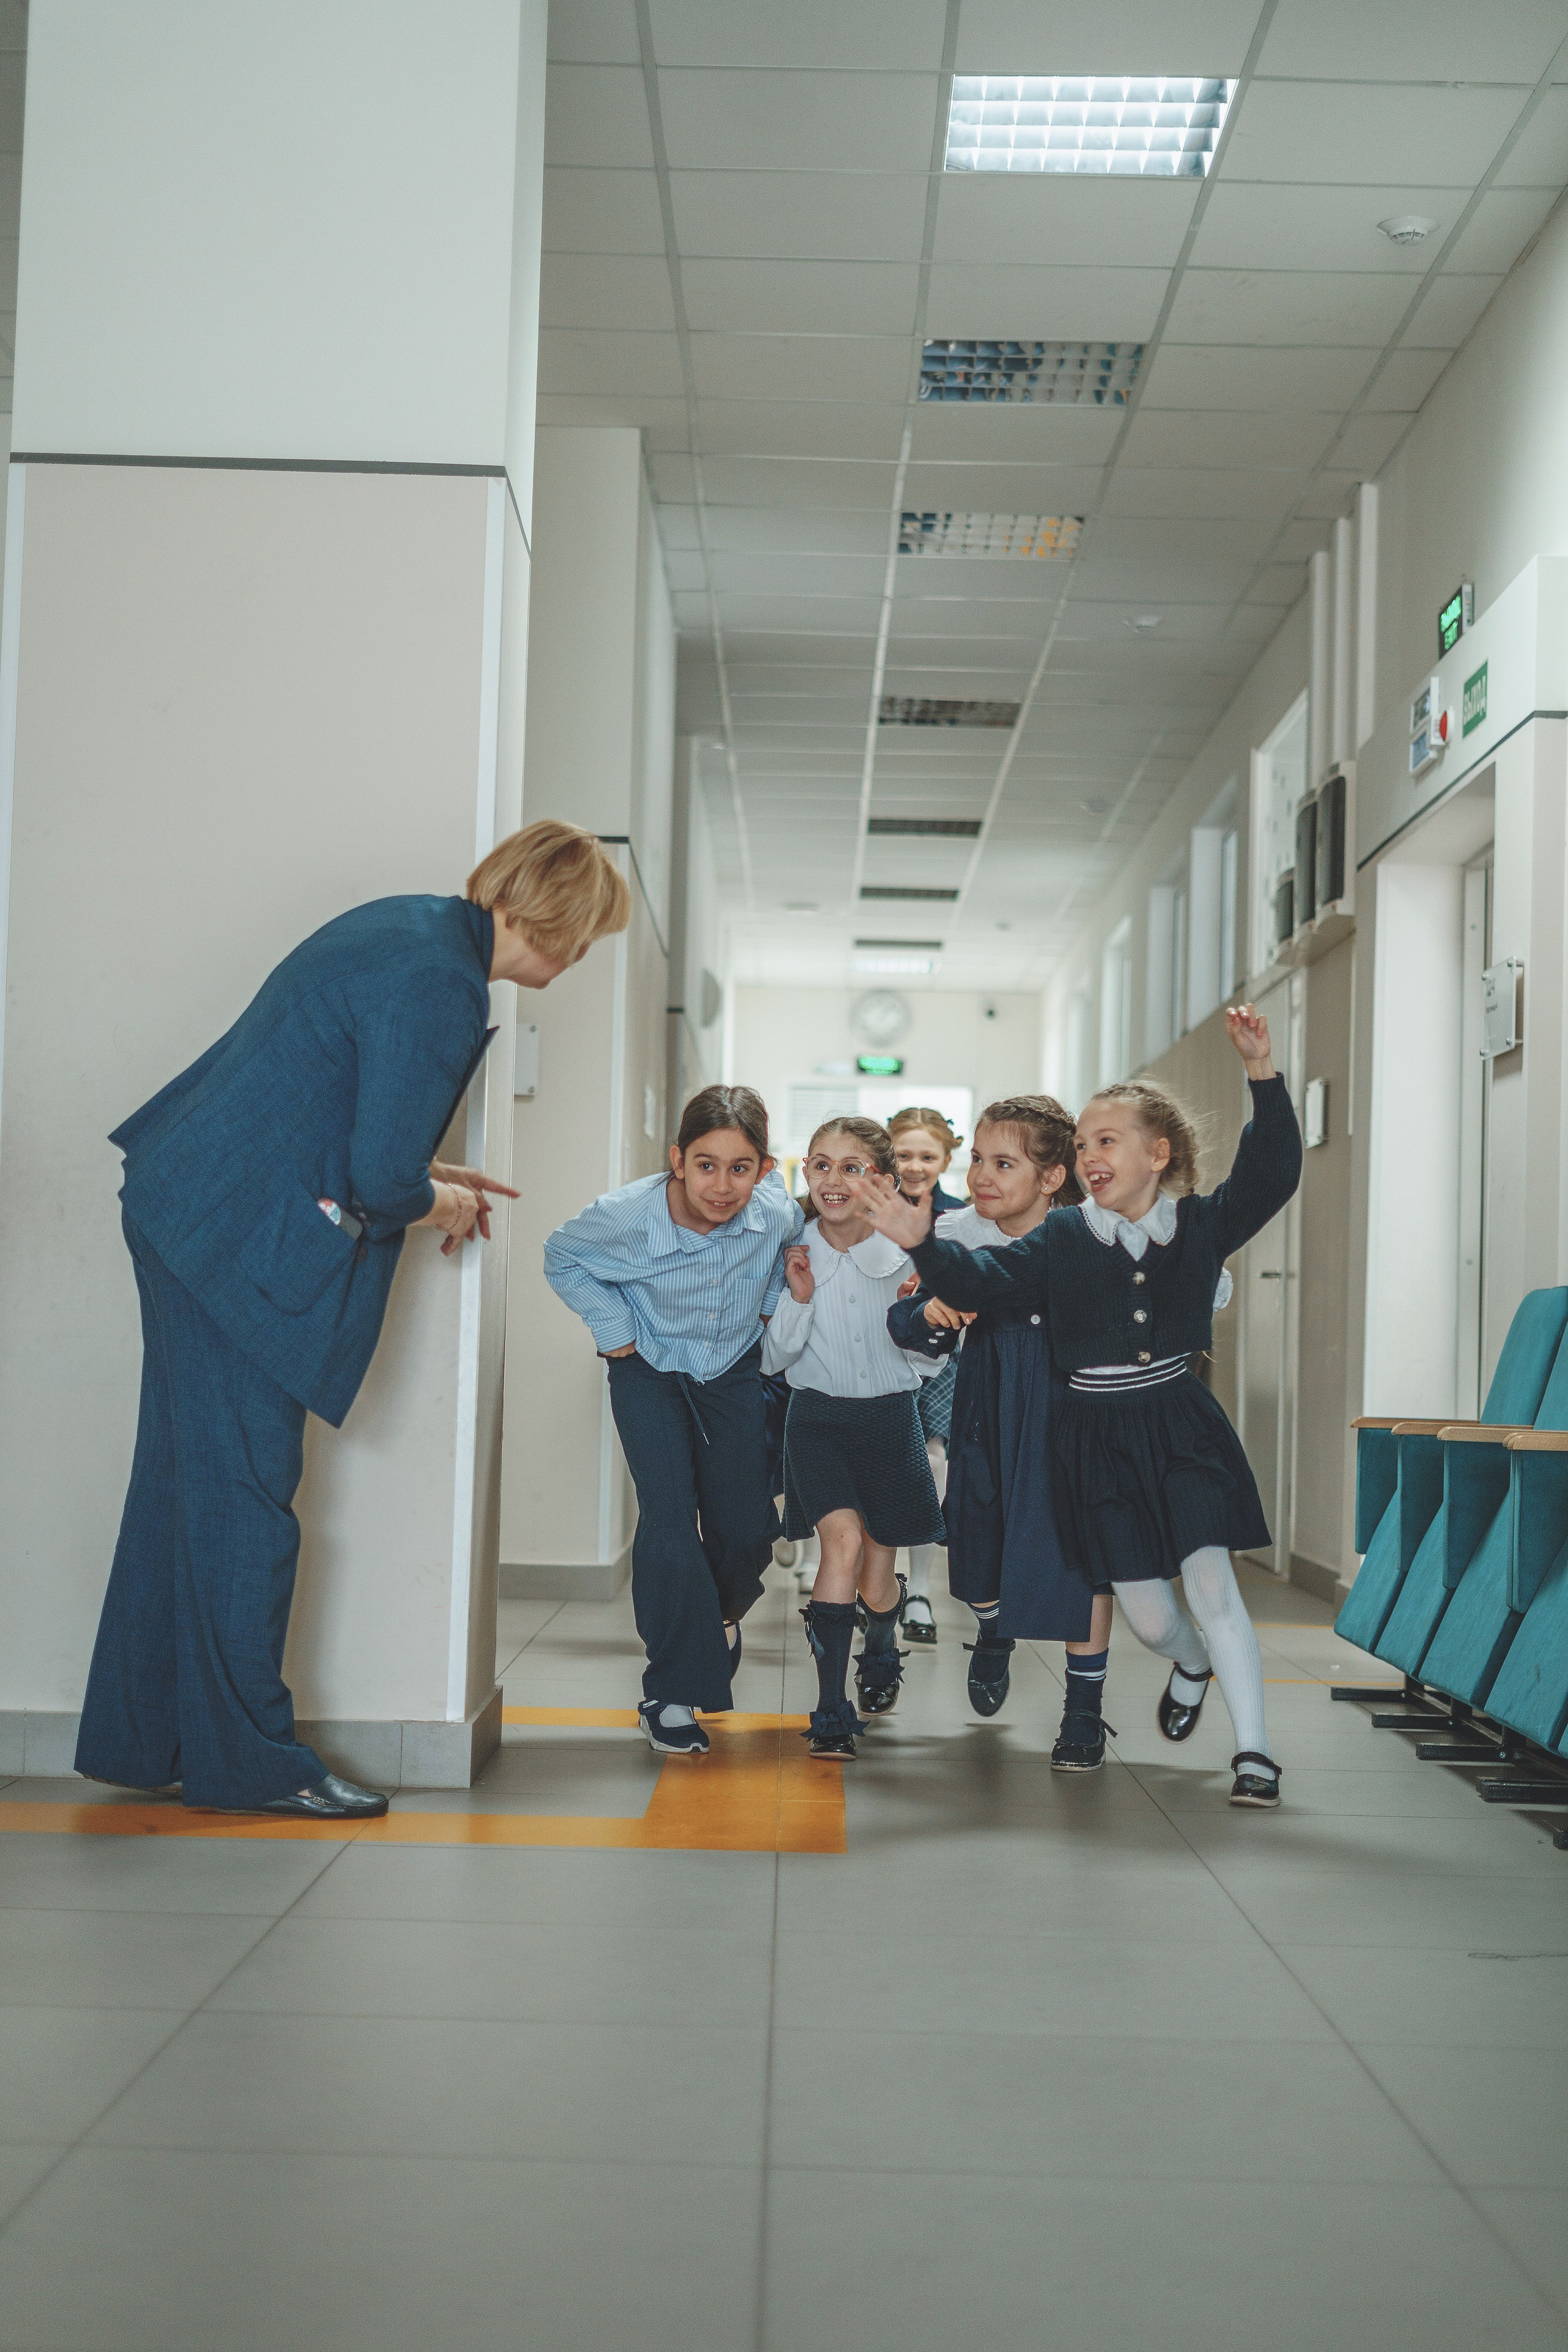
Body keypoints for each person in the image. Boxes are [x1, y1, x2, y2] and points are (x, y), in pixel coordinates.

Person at [75, 821, 630, 1820]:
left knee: (183, 1489)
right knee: (248, 1503)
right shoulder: (443, 985)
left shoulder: (408, 928)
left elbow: (334, 1106)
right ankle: (252, 1764)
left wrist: (429, 1176)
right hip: (232, 1242)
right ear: (564, 920)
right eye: (587, 935)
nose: (582, 956)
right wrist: (441, 1202)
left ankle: (148, 1736)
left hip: (188, 1205)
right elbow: (379, 1175)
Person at [857, 1005, 1302, 1809]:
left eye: (1107, 1140)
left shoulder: (1198, 1226)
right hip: (1095, 1438)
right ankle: (1189, 1662)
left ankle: (1255, 1754)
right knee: (1152, 1619)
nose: (1091, 1154)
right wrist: (922, 1243)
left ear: (1157, 1154)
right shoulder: (1061, 1242)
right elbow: (979, 1282)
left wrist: (1262, 1073)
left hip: (1178, 1427)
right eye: (1085, 1140)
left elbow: (1271, 1176)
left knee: (1210, 1587)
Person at [544, 1085, 801, 1757]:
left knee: (747, 1526)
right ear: (677, 1160)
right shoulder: (625, 1216)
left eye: (740, 1167)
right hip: (648, 1368)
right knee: (668, 1518)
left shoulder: (774, 1212)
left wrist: (771, 1306)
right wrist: (613, 1330)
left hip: (731, 1369)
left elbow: (793, 1253)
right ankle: (671, 1692)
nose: (722, 1185)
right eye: (706, 1164)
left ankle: (719, 1614)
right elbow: (560, 1256)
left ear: (764, 1170)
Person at [888, 1096, 1114, 1768]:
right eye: (979, 1159)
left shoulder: (1092, 1234)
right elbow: (904, 1325)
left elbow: (1188, 1286)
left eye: (1004, 1163)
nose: (983, 1175)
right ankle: (993, 1626)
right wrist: (929, 1310)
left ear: (1050, 1178)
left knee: (1084, 1567)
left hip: (1072, 1418)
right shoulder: (957, 1232)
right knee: (978, 1566)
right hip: (986, 1413)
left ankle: (1083, 1714)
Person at [764, 1117, 945, 1761]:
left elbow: (929, 1364)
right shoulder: (792, 1251)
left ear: (883, 1182)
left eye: (851, 1168)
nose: (832, 1180)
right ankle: (831, 1709)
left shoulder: (908, 1258)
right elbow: (774, 1360)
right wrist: (800, 1298)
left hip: (890, 1424)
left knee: (875, 1580)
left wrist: (916, 1321)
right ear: (804, 1173)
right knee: (837, 1544)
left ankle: (884, 1636)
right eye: (819, 1165)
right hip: (817, 1422)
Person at [887, 1106, 967, 1646]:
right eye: (904, 1154)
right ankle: (873, 1583)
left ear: (945, 1159)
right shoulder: (868, 1210)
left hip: (939, 1353)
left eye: (927, 1156)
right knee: (877, 1462)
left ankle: (918, 1589)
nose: (914, 1166)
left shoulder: (963, 1218)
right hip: (875, 1349)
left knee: (931, 1459)